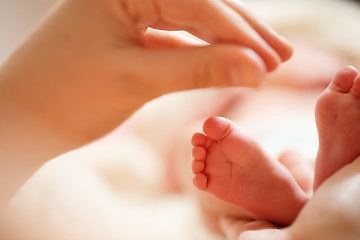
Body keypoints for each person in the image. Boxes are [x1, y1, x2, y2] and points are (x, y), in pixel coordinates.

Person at [0, 0, 293, 209]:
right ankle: (276, 195)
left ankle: (292, 188)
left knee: (301, 157)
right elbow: (171, 145)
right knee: (193, 151)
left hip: (301, 138)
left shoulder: (313, 92)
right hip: (252, 139)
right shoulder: (232, 96)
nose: (315, 72)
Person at [191, 65, 360, 239]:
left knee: (196, 149)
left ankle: (287, 203)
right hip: (296, 142)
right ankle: (319, 190)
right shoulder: (246, 92)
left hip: (267, 135)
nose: (317, 72)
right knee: (293, 162)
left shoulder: (250, 97)